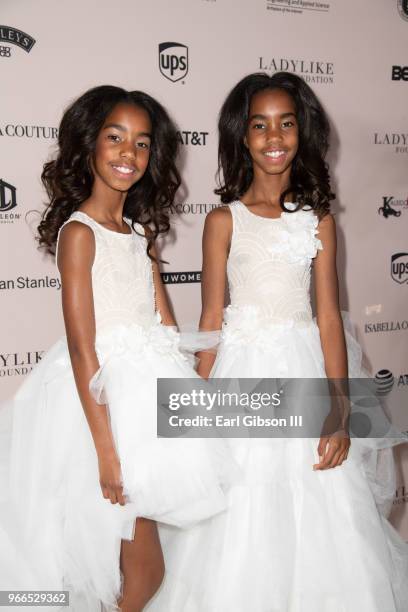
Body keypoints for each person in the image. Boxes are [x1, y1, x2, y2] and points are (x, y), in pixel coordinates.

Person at [147, 72, 408, 612]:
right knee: (240, 516)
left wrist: (339, 409)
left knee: (323, 513)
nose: (273, 137)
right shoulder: (223, 220)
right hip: (242, 377)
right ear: (242, 137)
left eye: (285, 124)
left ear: (301, 132)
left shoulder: (318, 222)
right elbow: (212, 316)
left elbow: (330, 320)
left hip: (306, 371)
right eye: (260, 125)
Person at [0, 85, 236, 612]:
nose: (129, 153)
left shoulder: (137, 234)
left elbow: (167, 330)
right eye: (115, 137)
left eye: (143, 143)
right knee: (142, 571)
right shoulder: (79, 234)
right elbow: (85, 350)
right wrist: (109, 455)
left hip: (149, 403)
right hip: (99, 415)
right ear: (89, 146)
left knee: (141, 569)